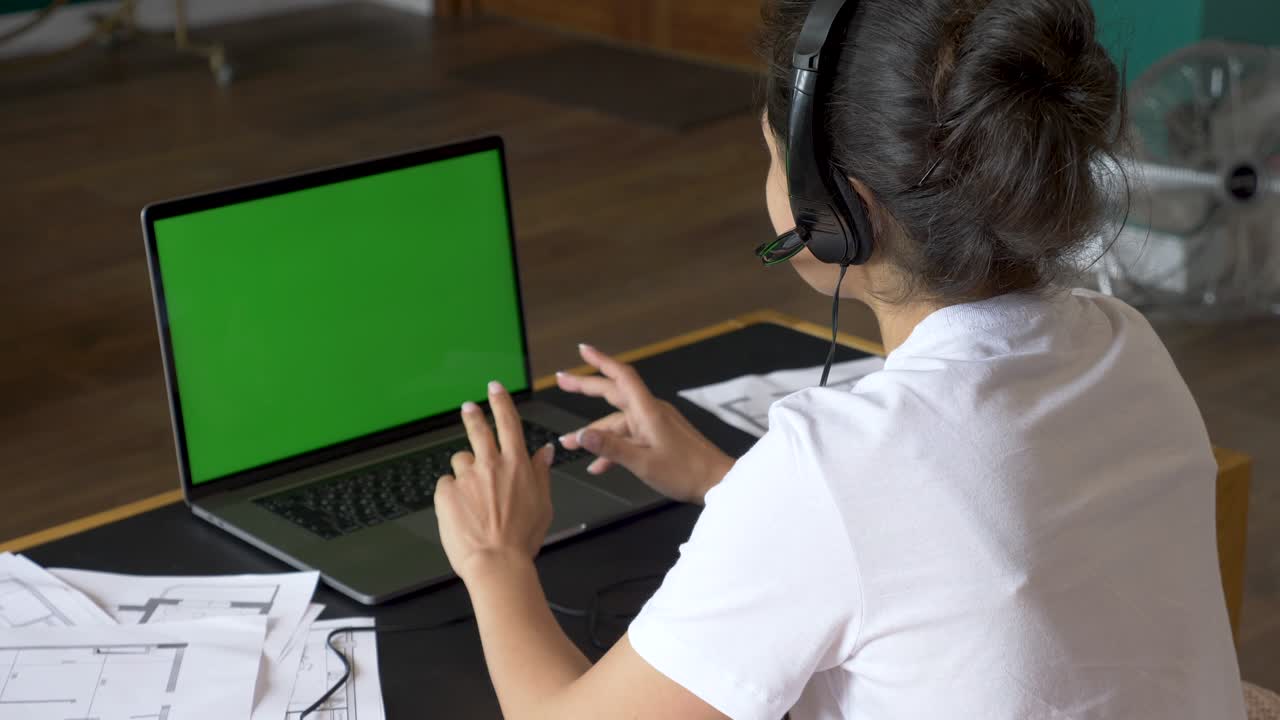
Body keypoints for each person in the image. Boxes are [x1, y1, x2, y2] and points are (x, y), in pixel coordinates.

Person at [430, 0, 1246, 718]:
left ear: (836, 209)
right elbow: (939, 547)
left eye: (771, 156)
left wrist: (496, 561)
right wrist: (728, 482)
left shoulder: (834, 471)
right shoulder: (1122, 341)